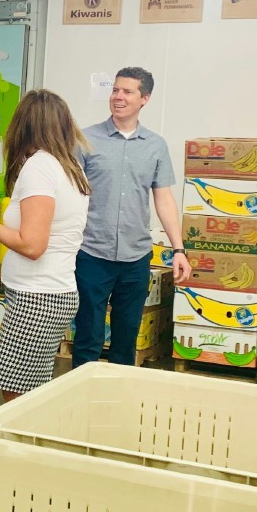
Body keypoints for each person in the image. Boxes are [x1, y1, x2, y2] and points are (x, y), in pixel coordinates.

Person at [0, 90, 91, 400]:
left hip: (36, 299)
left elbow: (33, 245)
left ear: (24, 125)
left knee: (17, 396)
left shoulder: (39, 168)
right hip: (54, 293)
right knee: (31, 391)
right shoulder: (69, 168)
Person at [72, 67, 193, 366]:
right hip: (91, 253)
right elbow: (69, 194)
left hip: (135, 258)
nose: (118, 97)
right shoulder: (85, 140)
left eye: (127, 91)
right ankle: (82, 400)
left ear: (145, 99)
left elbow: (163, 199)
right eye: (115, 90)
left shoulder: (156, 145)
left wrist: (179, 250)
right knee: (88, 337)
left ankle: (117, 403)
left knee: (126, 340)